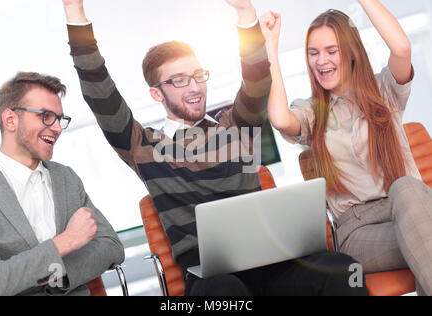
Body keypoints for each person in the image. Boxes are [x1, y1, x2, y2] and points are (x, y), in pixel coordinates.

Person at [61, 0, 368, 296]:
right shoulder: (145, 147)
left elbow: (258, 80)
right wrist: (75, 12)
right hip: (211, 280)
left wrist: (245, 13)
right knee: (224, 291)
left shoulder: (236, 127)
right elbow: (100, 93)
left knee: (344, 270)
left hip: (273, 265)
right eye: (179, 81)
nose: (194, 87)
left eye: (198, 76)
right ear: (157, 94)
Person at [261, 0, 432, 296]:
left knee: (407, 191)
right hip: (360, 232)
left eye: (331, 50)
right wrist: (270, 47)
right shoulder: (313, 112)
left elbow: (402, 49)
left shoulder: (385, 92)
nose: (320, 60)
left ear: (351, 52)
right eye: (313, 53)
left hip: (411, 209)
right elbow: (278, 118)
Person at [0, 72, 125, 296]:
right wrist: (65, 242)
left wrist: (60, 275)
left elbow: (111, 246)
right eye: (46, 116)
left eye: (59, 118)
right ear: (10, 120)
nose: (57, 128)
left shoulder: (65, 177)